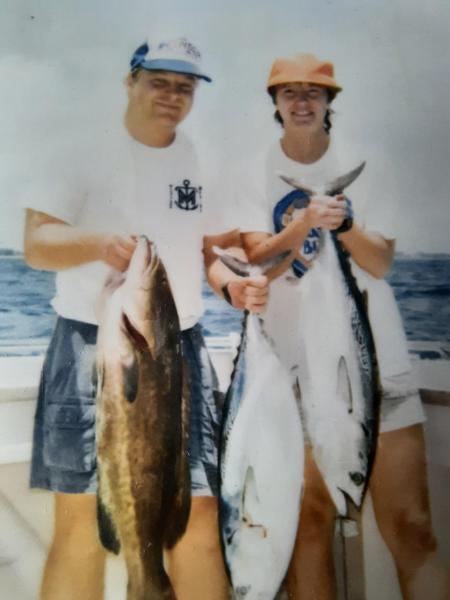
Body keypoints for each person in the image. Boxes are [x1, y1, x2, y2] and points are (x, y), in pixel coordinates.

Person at [23, 37, 268, 600]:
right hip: (94, 351)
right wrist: (96, 242)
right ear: (130, 80)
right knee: (81, 527)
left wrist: (232, 284)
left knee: (199, 520)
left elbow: (205, 251)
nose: (172, 96)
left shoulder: (201, 161)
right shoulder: (79, 150)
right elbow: (36, 243)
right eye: (160, 81)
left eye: (185, 87)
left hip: (180, 350)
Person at [236, 53, 450, 599]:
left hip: (380, 365)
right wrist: (304, 223)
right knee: (309, 525)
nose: (302, 102)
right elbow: (254, 259)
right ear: (276, 104)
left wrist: (344, 223)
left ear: (331, 101)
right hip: (294, 375)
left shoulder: (369, 161)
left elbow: (379, 264)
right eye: (290, 93)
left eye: (315, 92)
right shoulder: (251, 168)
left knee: (412, 527)